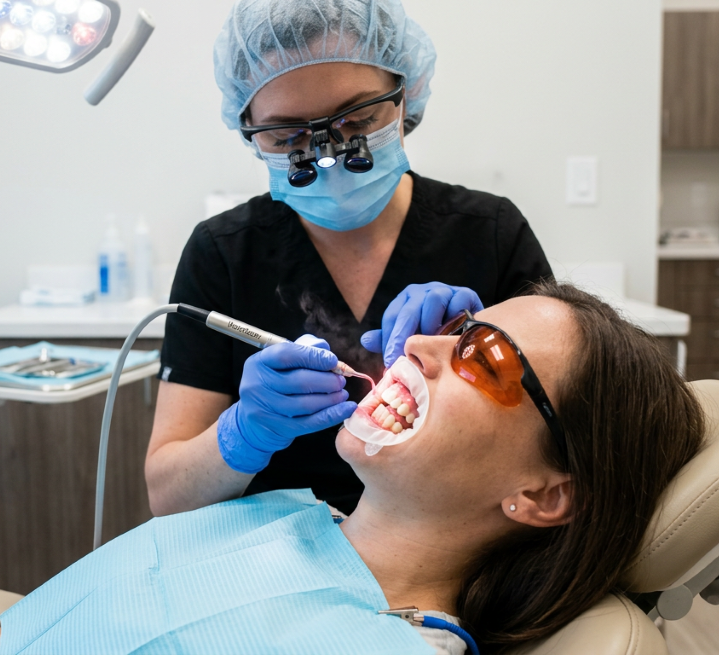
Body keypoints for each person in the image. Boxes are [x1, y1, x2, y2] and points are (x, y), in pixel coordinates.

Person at [0, 283, 705, 654]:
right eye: (455, 325)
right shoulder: (292, 513)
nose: (422, 348)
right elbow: (55, 625)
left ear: (544, 493)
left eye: (482, 353)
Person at [146, 0, 554, 518]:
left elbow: (561, 437)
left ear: (404, 98)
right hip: (272, 559)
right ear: (250, 132)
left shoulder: (492, 235)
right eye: (288, 136)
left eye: (358, 118)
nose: (327, 155)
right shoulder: (223, 253)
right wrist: (244, 433)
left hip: (455, 547)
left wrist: (490, 343)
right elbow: (167, 498)